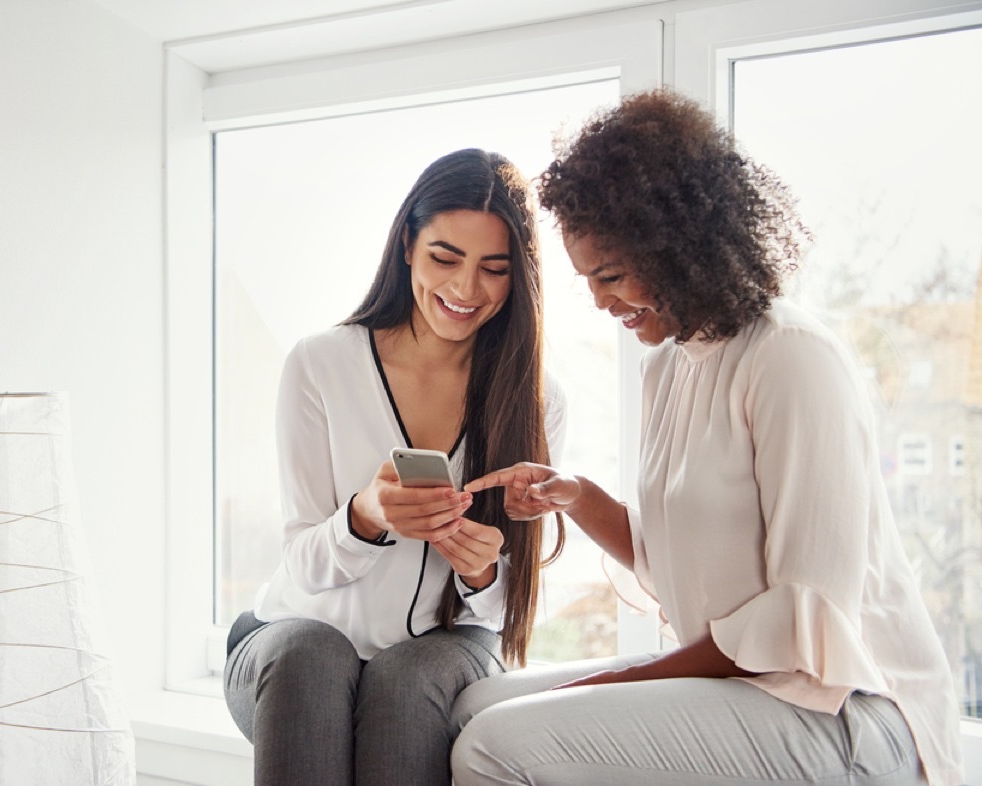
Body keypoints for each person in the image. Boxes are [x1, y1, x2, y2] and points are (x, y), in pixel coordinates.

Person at [450, 89, 964, 786]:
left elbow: (801, 615)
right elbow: (685, 575)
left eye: (611, 275)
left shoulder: (791, 358)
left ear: (679, 246)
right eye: (587, 281)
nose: (600, 302)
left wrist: (606, 689)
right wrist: (577, 496)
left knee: (494, 743)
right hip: (752, 683)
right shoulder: (669, 368)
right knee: (474, 705)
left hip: (849, 711)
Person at [223, 148, 568, 786]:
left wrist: (482, 567)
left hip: (440, 653)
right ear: (408, 242)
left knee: (407, 683)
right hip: (293, 646)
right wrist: (364, 517)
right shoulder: (320, 364)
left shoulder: (536, 399)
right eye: (445, 258)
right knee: (311, 655)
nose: (466, 290)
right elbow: (301, 559)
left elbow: (502, 608)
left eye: (494, 269)